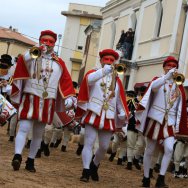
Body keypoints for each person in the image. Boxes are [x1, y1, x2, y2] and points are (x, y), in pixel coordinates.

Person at [10, 30, 75, 172]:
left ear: (55, 44)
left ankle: (31, 160)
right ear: (40, 41)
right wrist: (37, 50)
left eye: (51, 42)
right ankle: (17, 155)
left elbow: (65, 82)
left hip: (48, 101)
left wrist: (69, 97)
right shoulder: (31, 55)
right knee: (24, 128)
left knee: (38, 133)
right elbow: (23, 61)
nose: (47, 44)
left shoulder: (60, 63)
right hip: (30, 97)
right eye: (44, 40)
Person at [76, 48, 129, 182]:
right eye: (106, 59)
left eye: (112, 60)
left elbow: (119, 99)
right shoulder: (93, 73)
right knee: (89, 143)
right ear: (100, 60)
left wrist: (122, 112)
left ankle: (94, 165)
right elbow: (88, 81)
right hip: (93, 112)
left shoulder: (116, 81)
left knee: (104, 147)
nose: (109, 62)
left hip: (108, 116)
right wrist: (104, 70)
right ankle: (85, 170)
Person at [136, 56, 187, 187]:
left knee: (169, 149)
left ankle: (161, 178)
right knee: (150, 149)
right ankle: (146, 177)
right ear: (164, 67)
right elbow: (153, 88)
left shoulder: (178, 86)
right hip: (155, 120)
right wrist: (166, 77)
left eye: (173, 67)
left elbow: (179, 107)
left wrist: (177, 125)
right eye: (168, 66)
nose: (170, 68)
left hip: (169, 122)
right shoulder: (158, 80)